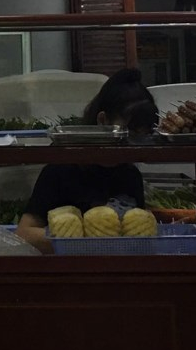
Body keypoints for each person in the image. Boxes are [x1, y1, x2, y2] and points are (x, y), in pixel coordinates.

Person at [15, 68, 158, 254]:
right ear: (103, 120)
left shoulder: (131, 175)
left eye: (141, 137)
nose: (131, 145)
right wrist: (85, 240)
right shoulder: (60, 170)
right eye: (127, 134)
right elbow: (24, 234)